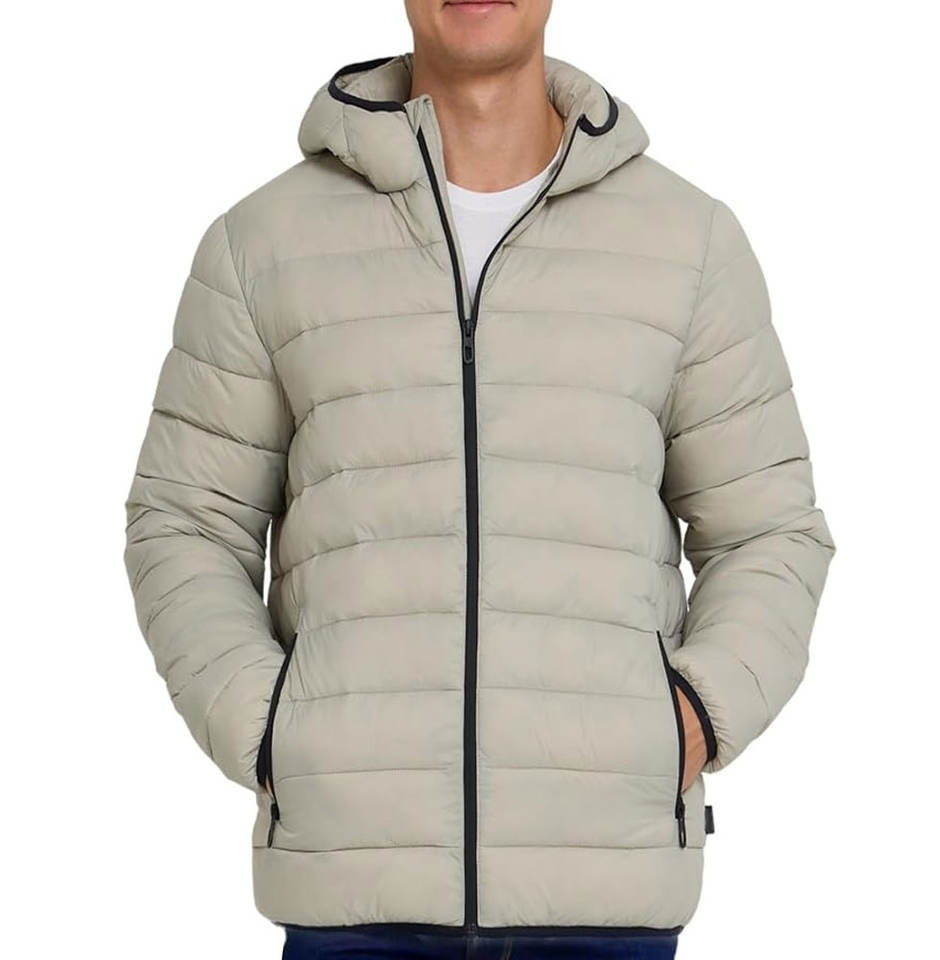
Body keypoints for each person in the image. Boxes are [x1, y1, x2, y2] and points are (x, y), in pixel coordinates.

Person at [123, 1, 835, 957]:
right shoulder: (262, 243)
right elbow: (185, 522)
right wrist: (272, 732)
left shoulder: (687, 242)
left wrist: (692, 720)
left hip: (605, 890)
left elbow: (769, 530)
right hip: (354, 892)